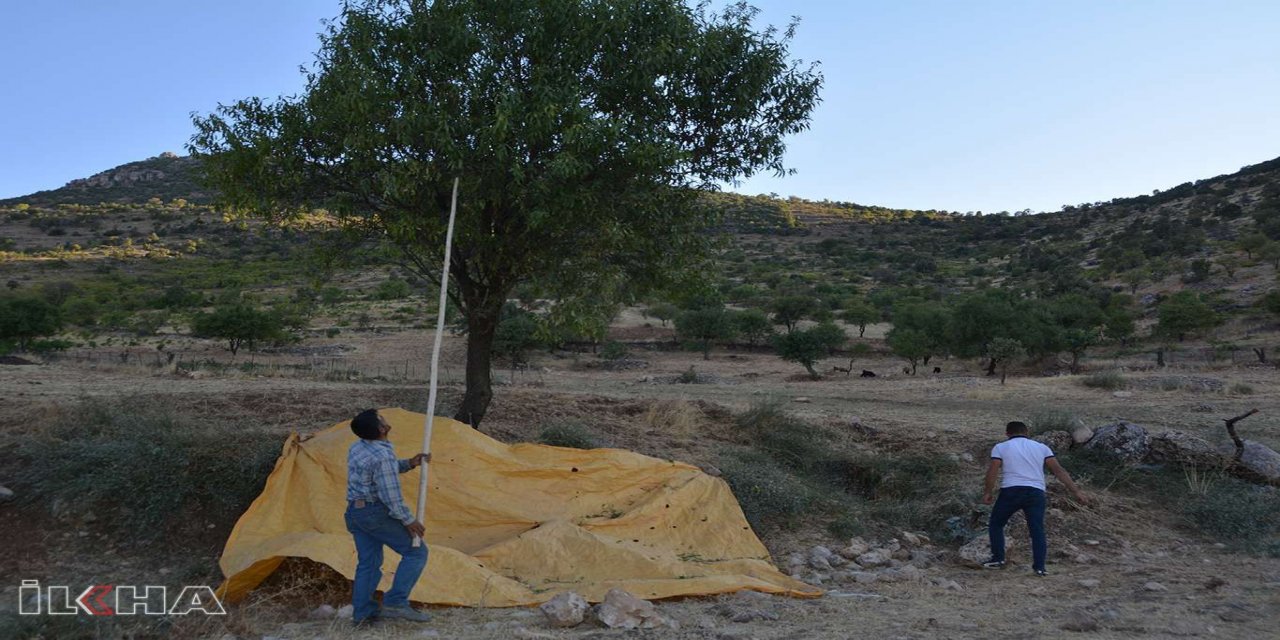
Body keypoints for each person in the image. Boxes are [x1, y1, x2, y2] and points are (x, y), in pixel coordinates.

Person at [345, 409, 432, 624]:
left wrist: (409, 463)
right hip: (375, 513)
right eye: (382, 419)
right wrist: (408, 519)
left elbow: (379, 472)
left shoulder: (358, 447)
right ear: (382, 429)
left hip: (355, 512)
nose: (386, 420)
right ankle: (395, 603)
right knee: (417, 553)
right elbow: (390, 495)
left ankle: (363, 614)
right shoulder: (382, 456)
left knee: (368, 563)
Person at [981, 421, 1089, 576]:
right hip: (1036, 492)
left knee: (996, 524)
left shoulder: (1001, 447)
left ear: (1007, 433)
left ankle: (998, 559)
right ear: (1027, 432)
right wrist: (1076, 491)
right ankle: (1039, 567)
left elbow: (992, 471)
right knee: (1037, 530)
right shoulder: (1042, 448)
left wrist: (988, 492)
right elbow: (1058, 470)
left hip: (1011, 491)